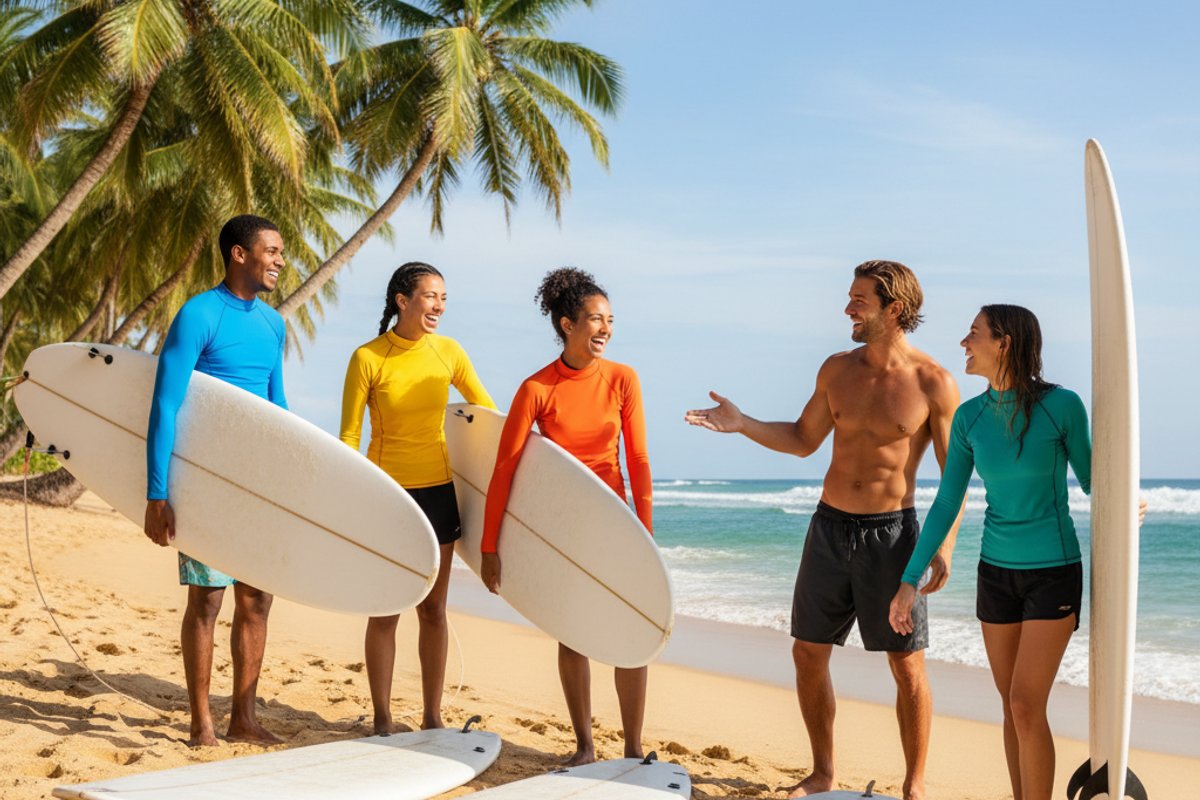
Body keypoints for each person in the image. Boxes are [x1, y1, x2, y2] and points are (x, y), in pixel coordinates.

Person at [685, 260, 961, 800]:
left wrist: (942, 548)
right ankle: (822, 773)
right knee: (808, 652)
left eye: (859, 300)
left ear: (893, 309)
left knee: (907, 667)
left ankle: (915, 785)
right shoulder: (836, 369)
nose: (847, 309)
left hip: (892, 537)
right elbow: (803, 438)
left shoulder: (934, 382)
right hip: (829, 529)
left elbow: (954, 481)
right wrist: (743, 425)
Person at [888, 305, 1088, 800]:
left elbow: (1095, 480)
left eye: (973, 334)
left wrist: (1132, 503)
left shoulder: (1062, 407)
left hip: (1053, 572)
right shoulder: (970, 418)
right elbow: (947, 500)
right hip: (996, 574)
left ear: (1005, 343)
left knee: (1025, 703)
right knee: (1010, 705)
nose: (963, 343)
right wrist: (909, 579)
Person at [480, 267, 652, 766]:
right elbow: (505, 469)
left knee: (631, 630)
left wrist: (644, 529)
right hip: (566, 526)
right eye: (595, 320)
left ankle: (634, 746)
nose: (605, 329)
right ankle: (584, 745)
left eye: (610, 321)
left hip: (616, 521)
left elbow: (638, 460)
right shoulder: (537, 388)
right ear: (565, 324)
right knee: (573, 631)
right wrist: (491, 547)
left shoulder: (623, 378)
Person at [143, 214, 287, 747]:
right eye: (270, 251)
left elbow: (278, 407)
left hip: (257, 485)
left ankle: (243, 718)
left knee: (257, 600)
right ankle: (201, 722)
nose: (279, 260)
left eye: (280, 252)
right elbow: (166, 404)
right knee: (207, 600)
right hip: (207, 481)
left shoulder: (273, 325)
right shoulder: (199, 314)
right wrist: (157, 492)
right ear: (239, 254)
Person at [340, 262, 495, 734]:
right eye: (430, 296)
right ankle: (383, 717)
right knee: (386, 607)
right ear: (402, 301)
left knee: (433, 609)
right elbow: (349, 437)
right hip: (388, 495)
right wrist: (354, 499)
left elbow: (485, 414)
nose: (439, 306)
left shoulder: (449, 352)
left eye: (443, 297)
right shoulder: (368, 357)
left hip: (437, 491)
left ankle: (432, 715)